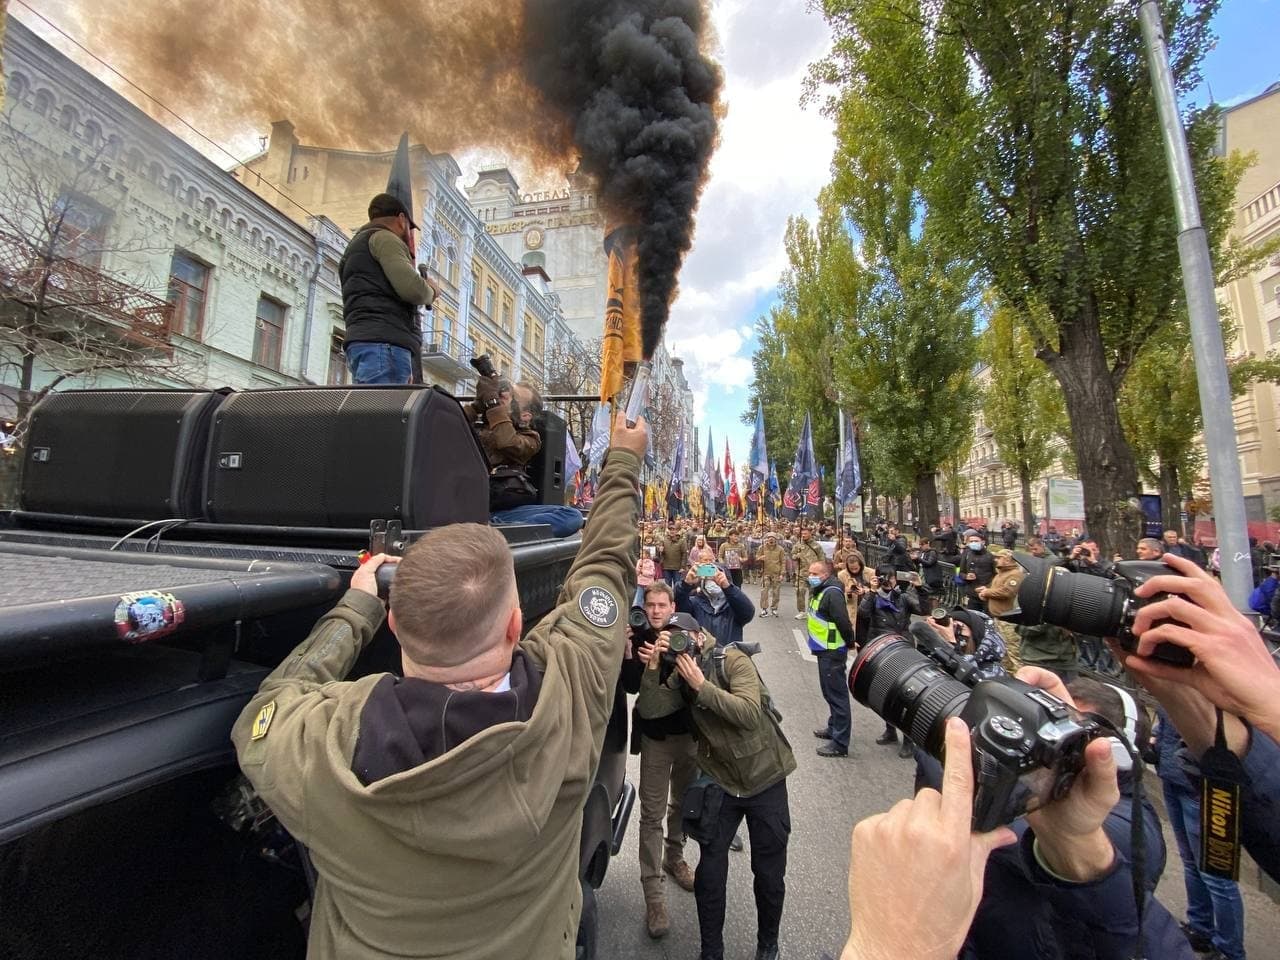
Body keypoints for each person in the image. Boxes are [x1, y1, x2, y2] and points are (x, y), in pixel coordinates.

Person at [230, 412, 647, 960]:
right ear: (516, 625)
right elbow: (606, 564)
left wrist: (354, 610)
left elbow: (268, 706)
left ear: (395, 624)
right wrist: (624, 461)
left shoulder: (323, 742)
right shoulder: (570, 689)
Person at [836, 677, 1195, 960]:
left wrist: (884, 951)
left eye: (1064, 733)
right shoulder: (1057, 806)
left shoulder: (1131, 827)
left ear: (1117, 753)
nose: (1037, 747)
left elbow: (1006, 827)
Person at [645, 616, 795, 960]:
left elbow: (748, 714)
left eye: (683, 638)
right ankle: (711, 951)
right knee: (710, 874)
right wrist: (655, 666)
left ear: (699, 637)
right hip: (721, 779)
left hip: (765, 776)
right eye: (671, 640)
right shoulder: (679, 674)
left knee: (769, 874)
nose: (679, 646)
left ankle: (767, 944)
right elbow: (652, 709)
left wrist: (702, 686)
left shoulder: (732, 661)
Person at [619, 582, 699, 940]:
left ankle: (675, 856)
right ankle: (654, 896)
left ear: (672, 606)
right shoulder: (637, 636)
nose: (654, 611)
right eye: (649, 604)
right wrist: (630, 656)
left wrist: (683, 652)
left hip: (688, 735)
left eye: (661, 605)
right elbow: (632, 688)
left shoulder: (685, 632)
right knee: (651, 815)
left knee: (682, 803)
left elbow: (698, 684)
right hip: (655, 738)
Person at [1154, 707, 1246, 960]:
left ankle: (1229, 950)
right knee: (1190, 862)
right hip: (1172, 774)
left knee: (1217, 875)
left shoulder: (1214, 692)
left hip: (1207, 788)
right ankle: (1201, 927)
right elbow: (1164, 718)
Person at [339, 192, 440, 384]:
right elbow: (413, 289)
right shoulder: (385, 238)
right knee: (385, 411)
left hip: (364, 341)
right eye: (410, 228)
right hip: (385, 343)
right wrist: (432, 290)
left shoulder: (355, 245)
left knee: (373, 410)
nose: (409, 235)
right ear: (401, 219)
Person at [465, 380, 583, 538]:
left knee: (571, 516)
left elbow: (506, 441)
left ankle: (504, 531)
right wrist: (477, 406)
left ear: (525, 415)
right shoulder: (476, 425)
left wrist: (494, 406)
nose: (503, 396)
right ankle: (496, 531)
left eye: (513, 397)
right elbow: (445, 428)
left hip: (500, 513)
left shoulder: (530, 438)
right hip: (464, 504)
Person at [859, 564, 924, 753]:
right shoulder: (873, 597)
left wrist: (919, 587)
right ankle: (890, 730)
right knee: (884, 693)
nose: (887, 581)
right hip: (882, 649)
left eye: (891, 577)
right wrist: (871, 592)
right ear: (876, 579)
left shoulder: (903, 597)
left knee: (906, 695)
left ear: (896, 579)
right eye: (882, 577)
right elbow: (863, 614)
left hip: (902, 649)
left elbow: (923, 608)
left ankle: (909, 740)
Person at [806, 558, 856, 759]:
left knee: (837, 695)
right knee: (829, 692)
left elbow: (843, 622)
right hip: (823, 649)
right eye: (810, 573)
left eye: (815, 574)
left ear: (826, 575)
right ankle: (833, 727)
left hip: (832, 651)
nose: (811, 577)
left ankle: (840, 743)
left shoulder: (832, 593)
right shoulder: (822, 591)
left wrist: (851, 642)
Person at [676, 563, 756, 650]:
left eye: (716, 577)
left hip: (729, 657)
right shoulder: (694, 603)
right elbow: (678, 608)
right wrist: (685, 585)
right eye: (709, 578)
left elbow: (748, 613)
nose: (713, 581)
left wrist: (728, 587)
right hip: (702, 658)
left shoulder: (733, 606)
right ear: (702, 582)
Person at [977, 549, 1025, 673]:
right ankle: (1008, 675)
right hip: (998, 618)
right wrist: (986, 591)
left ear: (1007, 558)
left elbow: (1007, 592)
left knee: (1013, 652)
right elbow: (997, 589)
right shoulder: (1000, 573)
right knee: (1003, 652)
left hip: (1009, 621)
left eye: (999, 557)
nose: (995, 560)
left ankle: (1021, 679)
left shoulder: (1015, 574)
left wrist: (987, 592)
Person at [791, 527, 827, 620]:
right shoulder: (798, 545)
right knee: (799, 591)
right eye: (802, 534)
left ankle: (811, 611)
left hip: (813, 574)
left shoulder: (816, 546)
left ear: (810, 534)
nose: (803, 535)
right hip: (801, 572)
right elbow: (792, 555)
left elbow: (822, 559)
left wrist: (821, 572)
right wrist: (796, 556)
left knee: (813, 593)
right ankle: (801, 611)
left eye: (805, 534)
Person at [959, 531, 996, 612]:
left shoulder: (990, 556)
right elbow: (961, 572)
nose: (973, 543)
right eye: (971, 541)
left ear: (983, 542)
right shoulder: (967, 554)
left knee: (987, 618)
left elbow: (997, 576)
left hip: (986, 593)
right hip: (971, 594)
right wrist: (966, 576)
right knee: (973, 618)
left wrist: (988, 587)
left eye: (976, 541)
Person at [758, 532, 785, 617]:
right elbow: (757, 557)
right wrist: (760, 558)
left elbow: (783, 562)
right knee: (764, 591)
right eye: (769, 537)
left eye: (773, 537)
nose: (771, 539)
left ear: (776, 539)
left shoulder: (780, 549)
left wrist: (782, 573)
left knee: (776, 592)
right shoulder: (762, 547)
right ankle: (764, 609)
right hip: (765, 572)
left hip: (776, 573)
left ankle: (774, 608)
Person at [660, 524, 690, 588]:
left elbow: (684, 554)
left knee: (677, 585)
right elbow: (662, 555)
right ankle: (669, 598)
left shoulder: (682, 541)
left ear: (677, 531)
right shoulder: (664, 540)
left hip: (677, 568)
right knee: (667, 586)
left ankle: (676, 598)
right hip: (666, 567)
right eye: (670, 529)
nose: (672, 531)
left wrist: (682, 567)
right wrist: (661, 551)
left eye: (674, 529)